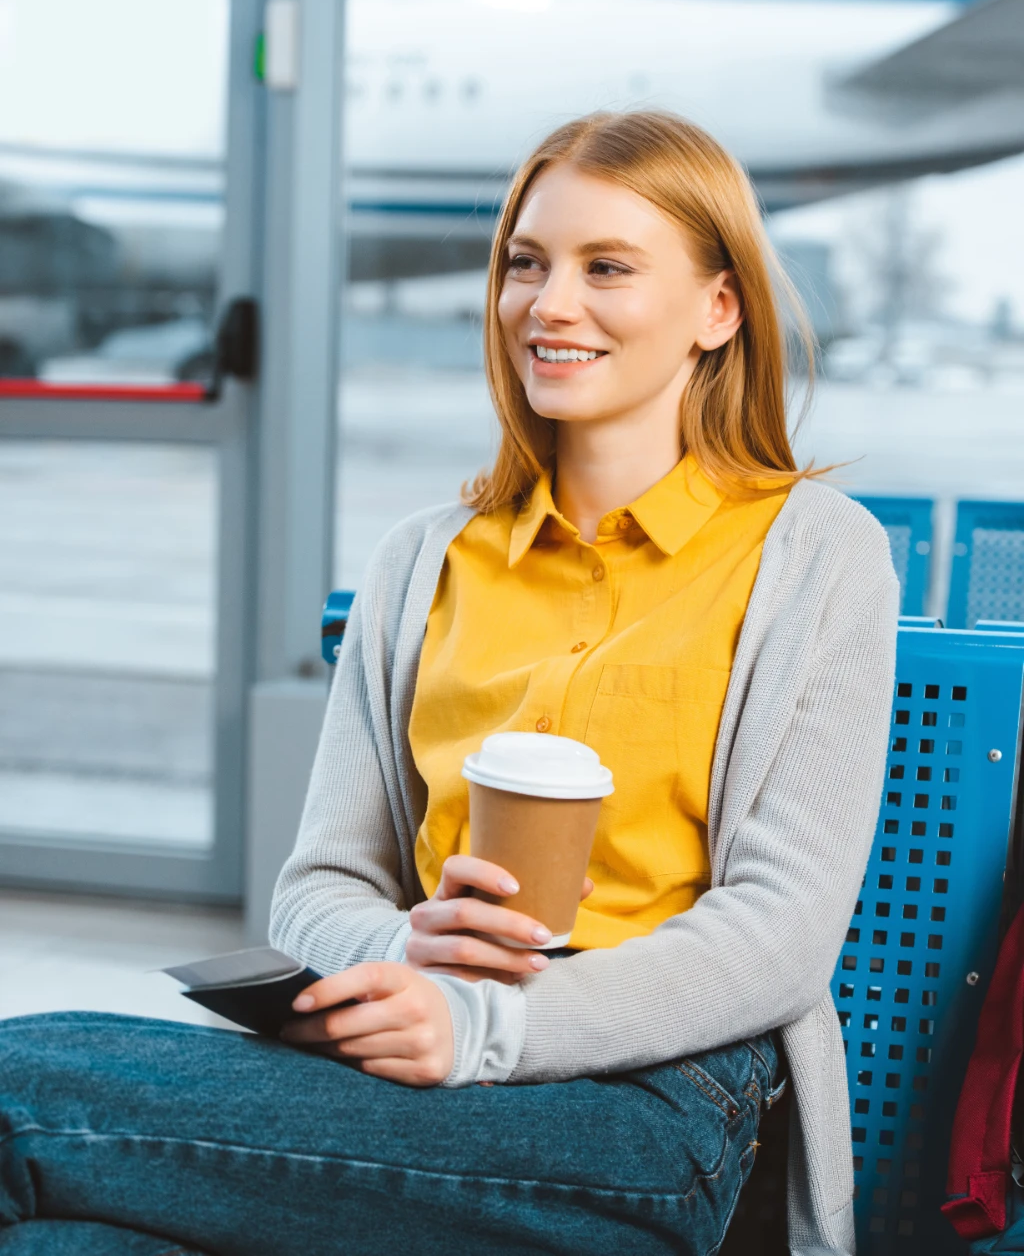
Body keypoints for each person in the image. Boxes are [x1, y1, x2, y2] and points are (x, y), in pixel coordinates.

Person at [0, 111, 898, 1256]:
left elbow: (780, 936)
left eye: (606, 268)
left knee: (18, 1094)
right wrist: (405, 960)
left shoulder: (816, 555)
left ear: (718, 310)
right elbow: (320, 885)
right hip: (414, 1082)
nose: (548, 305)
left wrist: (484, 1028)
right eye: (526, 264)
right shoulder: (423, 561)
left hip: (649, 1109)